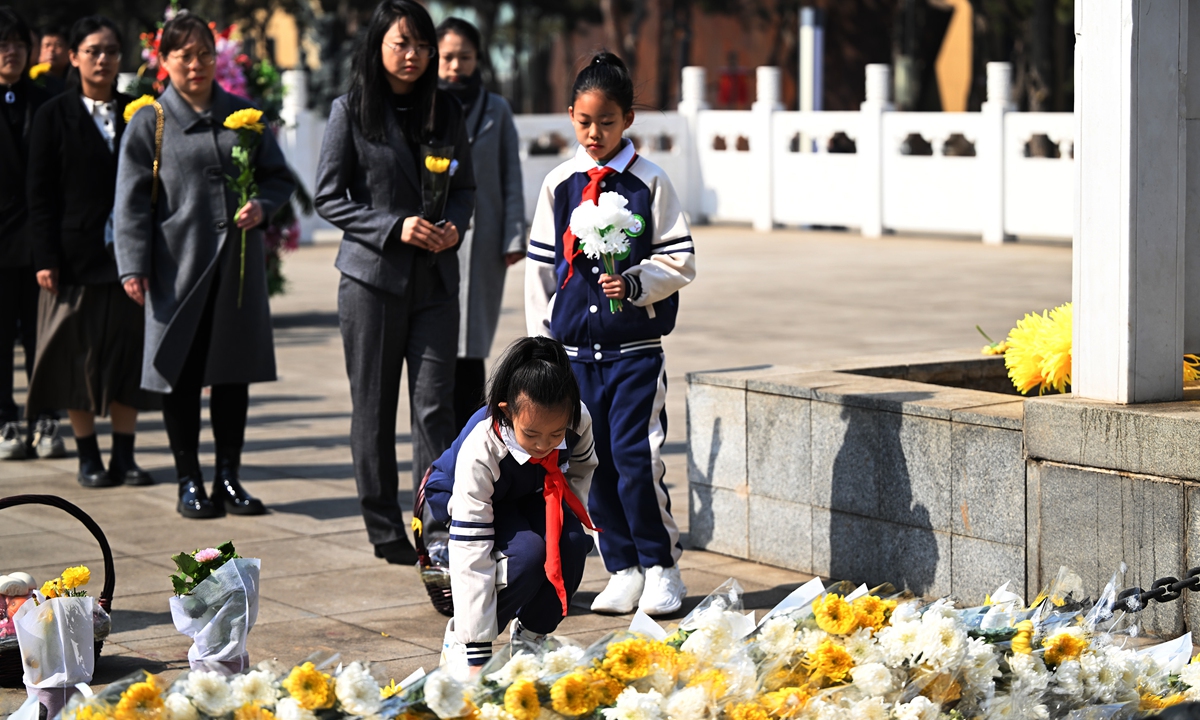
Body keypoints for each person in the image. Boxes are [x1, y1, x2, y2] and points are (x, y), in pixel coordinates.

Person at [526, 52, 697, 616]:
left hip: (634, 351)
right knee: (590, 461)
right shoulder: (560, 183)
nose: (593, 133)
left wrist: (637, 282)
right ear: (570, 116)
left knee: (635, 457)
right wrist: (542, 348)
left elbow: (680, 262)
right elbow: (542, 272)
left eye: (606, 121)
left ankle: (660, 564)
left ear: (627, 119)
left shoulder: (650, 182)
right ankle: (620, 566)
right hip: (575, 353)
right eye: (583, 121)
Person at [115, 10, 295, 519]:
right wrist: (132, 265)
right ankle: (188, 480)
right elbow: (129, 203)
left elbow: (278, 179)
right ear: (163, 60)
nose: (195, 65)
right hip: (177, 270)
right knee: (183, 375)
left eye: (203, 55)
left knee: (232, 375)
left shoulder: (244, 114)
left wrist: (262, 206)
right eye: (183, 55)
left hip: (235, 273)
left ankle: (228, 478)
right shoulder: (149, 123)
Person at [314, 0, 474, 565]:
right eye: (400, 43)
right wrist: (392, 225)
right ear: (378, 46)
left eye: (421, 45)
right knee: (374, 407)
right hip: (371, 283)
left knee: (435, 407)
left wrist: (455, 225)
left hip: (434, 281)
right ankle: (383, 525)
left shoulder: (446, 110)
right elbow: (328, 196)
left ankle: (435, 524)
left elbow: (466, 187)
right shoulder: (351, 111)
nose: (412, 55)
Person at [25, 15, 159, 488]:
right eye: (93, 50)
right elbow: (38, 194)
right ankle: (89, 458)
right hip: (74, 258)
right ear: (75, 56)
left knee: (128, 360)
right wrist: (45, 257)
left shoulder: (142, 112)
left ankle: (125, 456)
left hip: (130, 258)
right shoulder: (52, 114)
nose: (103, 59)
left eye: (111, 51)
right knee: (76, 361)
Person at [425, 336, 596, 675]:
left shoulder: (577, 421)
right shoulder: (483, 444)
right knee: (527, 556)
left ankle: (531, 638)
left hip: (527, 492)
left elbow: (580, 471)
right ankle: (463, 638)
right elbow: (471, 553)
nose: (544, 445)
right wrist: (474, 648)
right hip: (463, 494)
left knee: (573, 544)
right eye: (531, 435)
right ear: (507, 412)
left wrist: (565, 524)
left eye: (555, 434)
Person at [435, 17, 525, 430]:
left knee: (473, 343)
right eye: (448, 57)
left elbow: (511, 176)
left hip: (485, 238)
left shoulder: (497, 109)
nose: (456, 66)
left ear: (478, 60)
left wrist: (513, 235)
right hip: (436, 237)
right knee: (438, 342)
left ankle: (473, 435)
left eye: (464, 57)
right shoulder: (426, 106)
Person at [0, 6, 63, 462]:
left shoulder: (46, 101)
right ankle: (4, 418)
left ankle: (44, 417)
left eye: (20, 44)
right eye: (3, 45)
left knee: (43, 336)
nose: (13, 53)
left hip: (40, 239)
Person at [34, 26, 68, 94]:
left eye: (58, 45)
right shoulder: (31, 82)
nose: (51, 49)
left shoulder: (77, 83)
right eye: (47, 45)